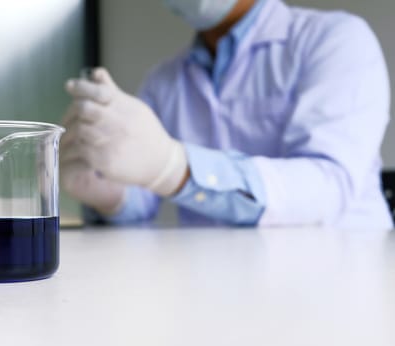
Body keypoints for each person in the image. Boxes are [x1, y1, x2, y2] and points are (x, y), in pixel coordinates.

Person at [60, 0, 393, 228]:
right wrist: (111, 196)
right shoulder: (164, 82)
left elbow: (327, 185)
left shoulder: (335, 40)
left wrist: (176, 167)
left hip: (344, 282)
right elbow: (145, 201)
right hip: (220, 285)